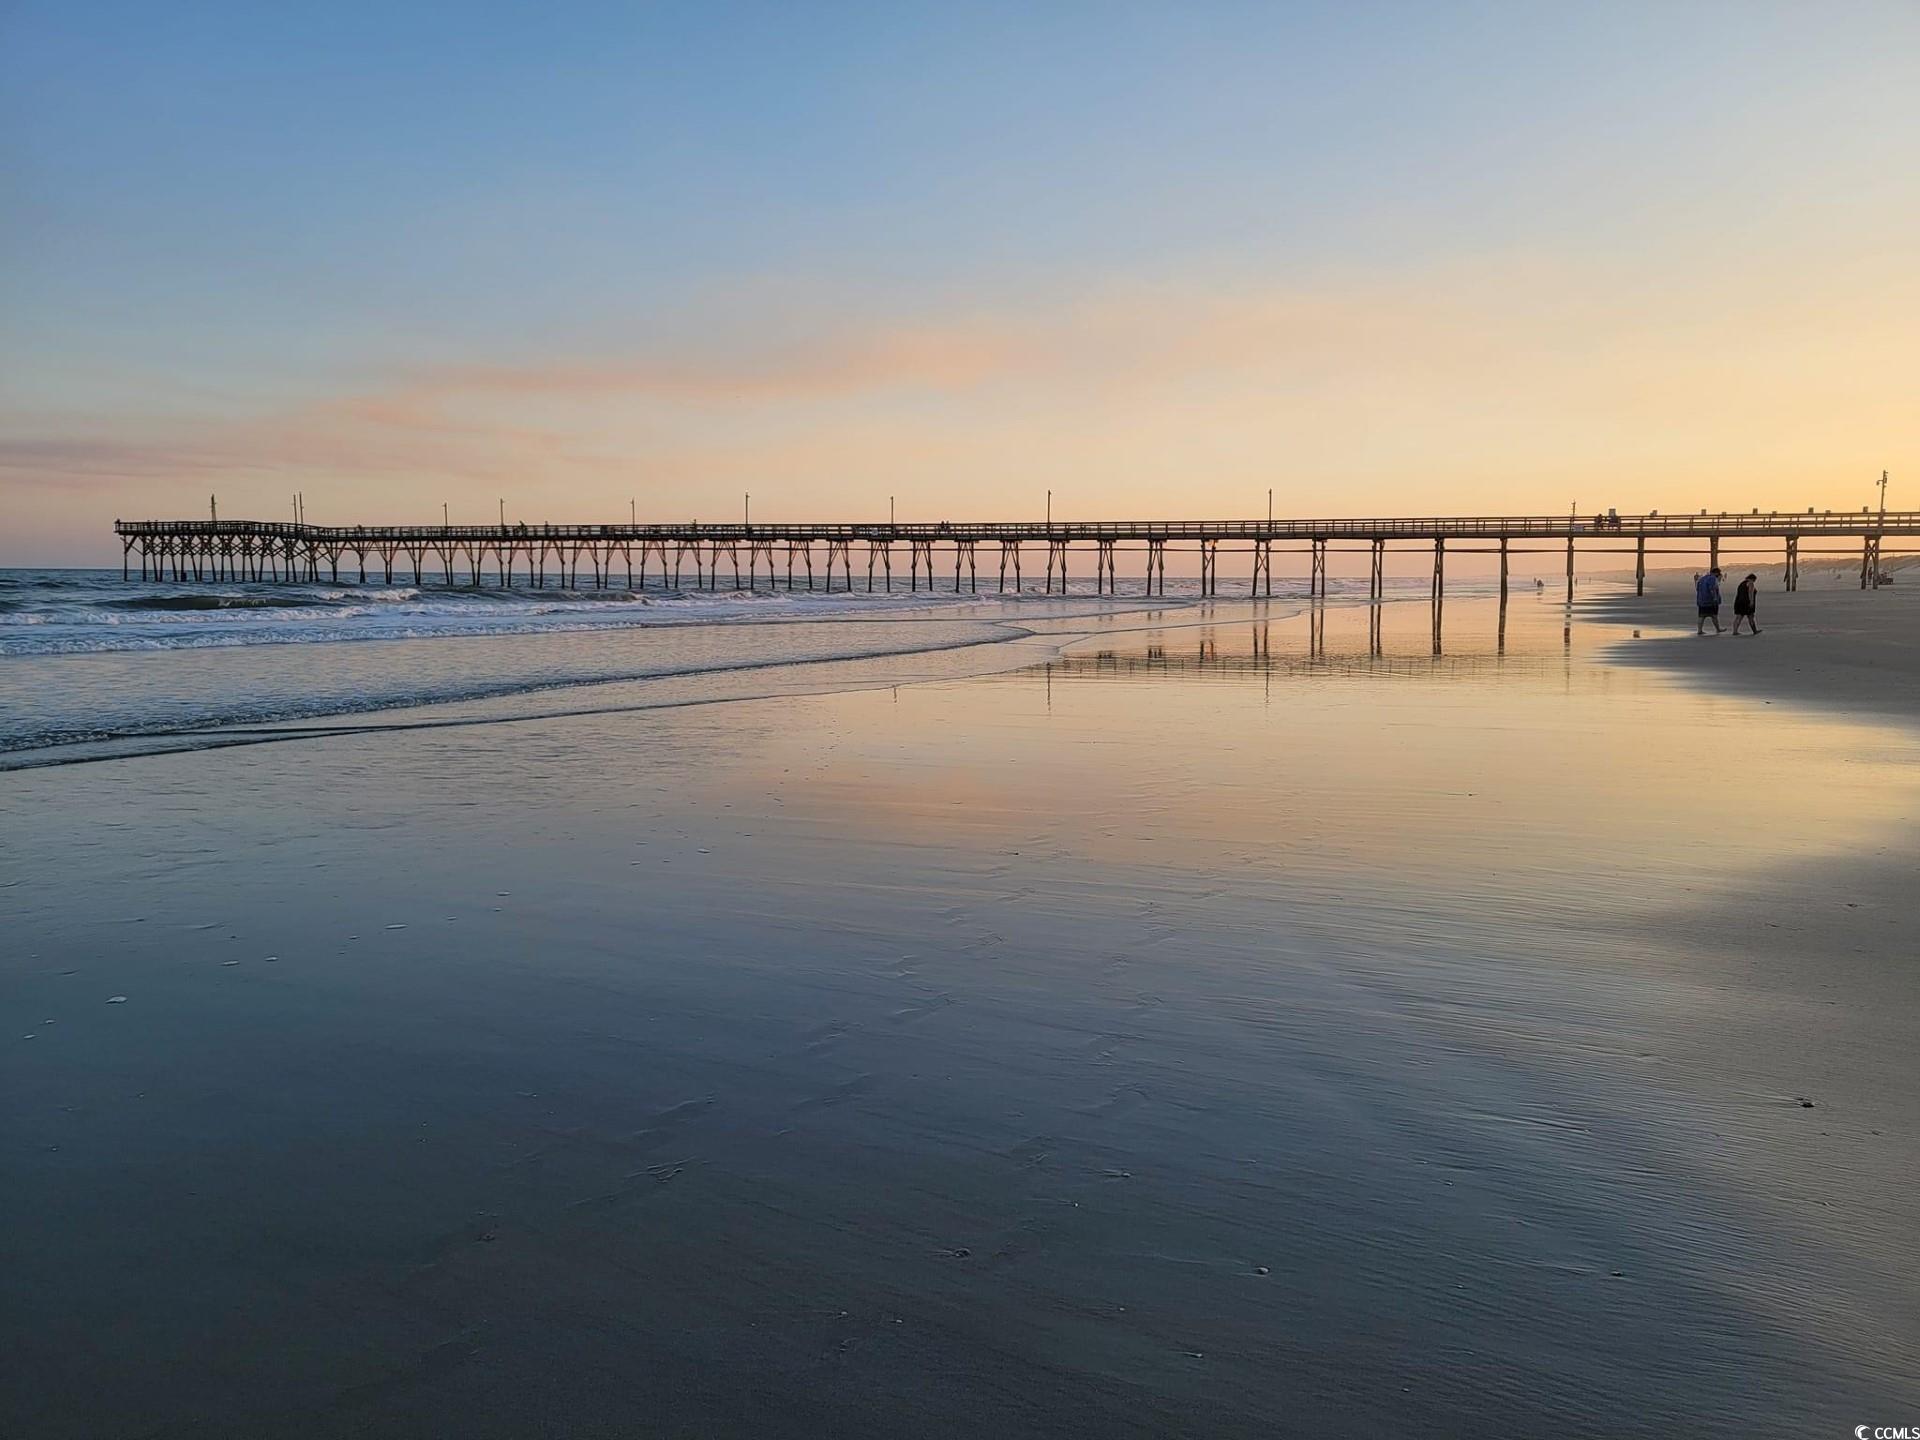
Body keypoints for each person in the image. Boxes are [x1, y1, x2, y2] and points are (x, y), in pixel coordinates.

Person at [1695, 567, 1724, 634]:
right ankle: (1718, 629)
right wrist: (1715, 598)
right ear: (1716, 573)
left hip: (1701, 600)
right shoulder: (1712, 578)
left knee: (1701, 616)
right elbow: (1712, 589)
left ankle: (1699, 630)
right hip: (1710, 601)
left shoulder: (1702, 578)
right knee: (1714, 615)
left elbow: (1697, 588)